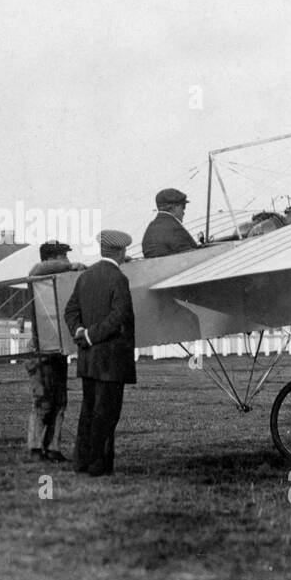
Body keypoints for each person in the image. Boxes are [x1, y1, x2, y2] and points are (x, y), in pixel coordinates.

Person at [64, 229, 136, 476]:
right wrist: (92, 335)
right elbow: (119, 316)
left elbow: (70, 311)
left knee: (89, 411)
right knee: (107, 415)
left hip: (88, 359)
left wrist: (80, 332)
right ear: (122, 251)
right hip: (111, 360)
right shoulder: (119, 279)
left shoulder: (85, 276)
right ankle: (97, 465)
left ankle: (81, 463)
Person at [25, 240, 85, 462]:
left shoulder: (57, 283)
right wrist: (71, 266)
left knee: (59, 401)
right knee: (43, 400)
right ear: (51, 258)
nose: (67, 260)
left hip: (55, 349)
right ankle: (34, 448)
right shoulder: (39, 276)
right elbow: (37, 269)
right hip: (39, 349)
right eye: (63, 256)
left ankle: (52, 448)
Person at [140, 188, 199, 258]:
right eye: (183, 206)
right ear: (174, 207)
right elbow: (192, 256)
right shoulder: (175, 229)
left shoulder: (151, 227)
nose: (184, 211)